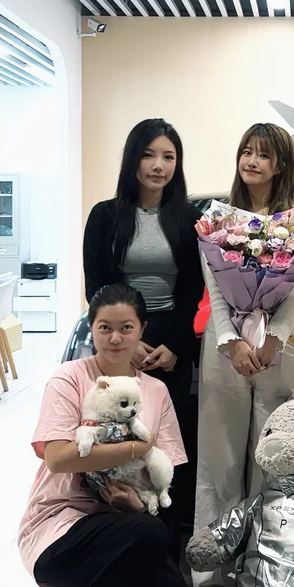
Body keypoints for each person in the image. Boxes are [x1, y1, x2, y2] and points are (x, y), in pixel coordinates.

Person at [17, 284, 203, 587]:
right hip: (62, 523)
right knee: (145, 535)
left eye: (126, 327)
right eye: (105, 327)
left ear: (142, 329)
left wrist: (136, 503)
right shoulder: (70, 378)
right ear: (91, 328)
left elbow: (167, 466)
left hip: (127, 524)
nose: (115, 338)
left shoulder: (155, 391)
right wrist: (135, 447)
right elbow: (59, 457)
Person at [194, 122, 294, 587]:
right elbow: (215, 287)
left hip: (279, 347)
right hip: (224, 348)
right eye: (246, 151)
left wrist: (273, 340)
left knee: (277, 456)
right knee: (220, 457)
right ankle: (211, 573)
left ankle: (271, 571)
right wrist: (230, 340)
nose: (252, 161)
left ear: (281, 164)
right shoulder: (217, 218)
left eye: (263, 154)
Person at [83, 119, 203, 534]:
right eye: (149, 155)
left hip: (171, 336)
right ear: (133, 159)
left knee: (169, 438)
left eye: (168, 157)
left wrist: (176, 346)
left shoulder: (188, 218)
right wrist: (126, 342)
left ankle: (170, 529)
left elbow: (193, 290)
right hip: (121, 334)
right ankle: (122, 526)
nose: (158, 166)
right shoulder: (105, 216)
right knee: (116, 436)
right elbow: (96, 286)